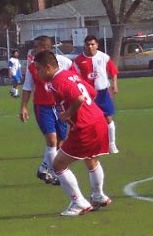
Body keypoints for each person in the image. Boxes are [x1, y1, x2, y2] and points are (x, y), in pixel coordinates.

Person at [34, 50, 111, 216]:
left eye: (38, 69)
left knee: (58, 165)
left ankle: (78, 202)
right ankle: (98, 196)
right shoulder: (70, 75)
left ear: (48, 67)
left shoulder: (58, 81)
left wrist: (67, 115)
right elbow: (91, 92)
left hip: (85, 126)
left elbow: (79, 98)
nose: (37, 73)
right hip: (98, 120)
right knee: (91, 159)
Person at [20, 35, 73, 185]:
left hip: (60, 106)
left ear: (45, 48)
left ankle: (44, 168)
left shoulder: (65, 62)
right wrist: (23, 106)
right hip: (42, 106)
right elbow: (27, 87)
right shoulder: (33, 66)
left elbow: (73, 79)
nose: (34, 49)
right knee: (51, 140)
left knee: (60, 142)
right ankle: (57, 173)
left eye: (37, 46)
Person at [73, 35, 120, 154]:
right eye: (88, 44)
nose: (90, 47)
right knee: (86, 121)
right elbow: (74, 77)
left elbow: (113, 71)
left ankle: (112, 144)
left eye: (92, 44)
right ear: (84, 45)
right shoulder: (78, 61)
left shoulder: (103, 57)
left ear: (97, 45)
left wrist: (114, 84)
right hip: (87, 95)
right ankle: (88, 145)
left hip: (103, 92)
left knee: (108, 118)